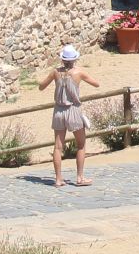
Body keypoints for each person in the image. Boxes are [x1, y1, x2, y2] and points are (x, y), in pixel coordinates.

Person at [37, 45, 100, 188]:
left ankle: (58, 179)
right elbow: (96, 84)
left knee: (58, 146)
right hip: (73, 109)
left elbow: (41, 86)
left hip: (59, 110)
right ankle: (80, 177)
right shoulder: (78, 73)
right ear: (74, 59)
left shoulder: (55, 73)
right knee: (81, 144)